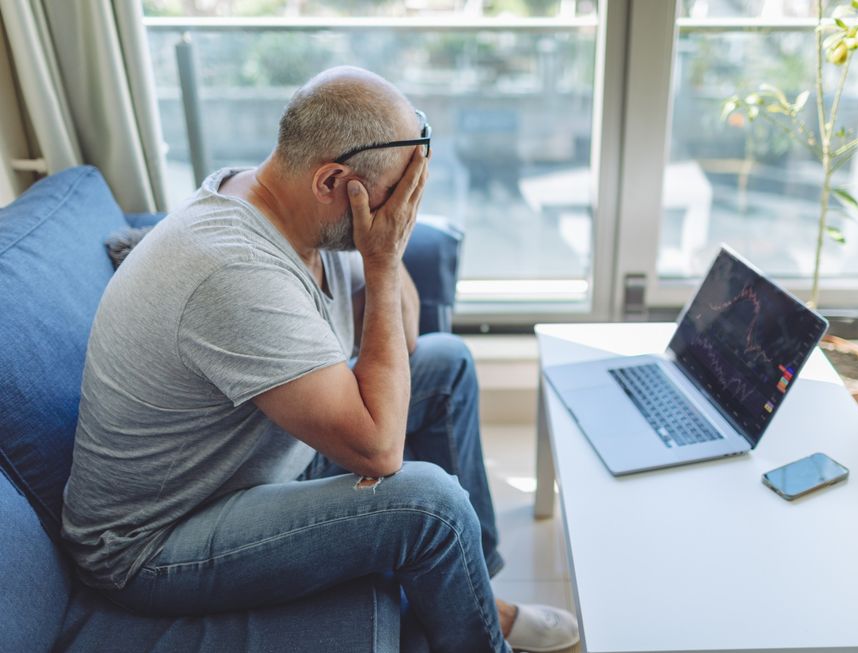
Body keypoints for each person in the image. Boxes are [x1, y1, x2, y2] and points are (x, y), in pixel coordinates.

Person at [61, 66, 579, 653]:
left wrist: (390, 245)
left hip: (256, 466)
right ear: (333, 181)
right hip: (153, 545)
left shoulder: (288, 204)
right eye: (392, 196)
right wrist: (381, 262)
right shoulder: (232, 269)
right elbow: (380, 450)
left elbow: (403, 340)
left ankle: (475, 588)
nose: (396, 213)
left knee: (446, 364)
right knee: (429, 505)